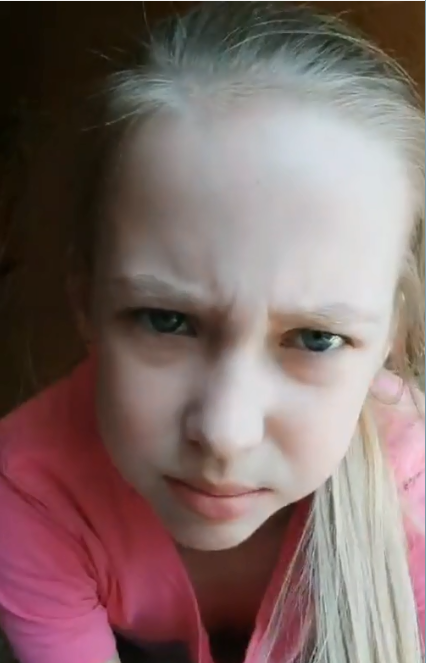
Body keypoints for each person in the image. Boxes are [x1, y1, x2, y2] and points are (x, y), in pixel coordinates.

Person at [0, 3, 424, 663]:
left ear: (389, 336)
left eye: (315, 338)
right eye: (167, 320)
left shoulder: (413, 485)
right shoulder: (28, 490)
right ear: (86, 300)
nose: (226, 432)